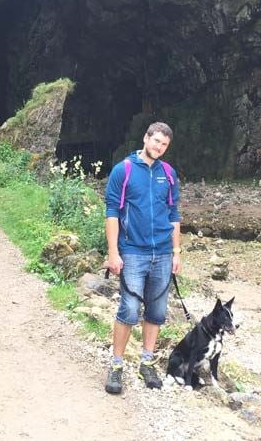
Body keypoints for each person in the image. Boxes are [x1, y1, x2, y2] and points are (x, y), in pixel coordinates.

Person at [103, 122, 181, 394]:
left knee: (157, 311)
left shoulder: (168, 174)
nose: (159, 147)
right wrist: (113, 252)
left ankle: (147, 362)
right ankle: (116, 366)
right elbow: (112, 212)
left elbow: (173, 215)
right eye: (156, 141)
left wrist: (177, 252)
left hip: (162, 252)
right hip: (133, 251)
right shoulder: (122, 171)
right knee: (129, 310)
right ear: (146, 138)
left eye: (164, 145)